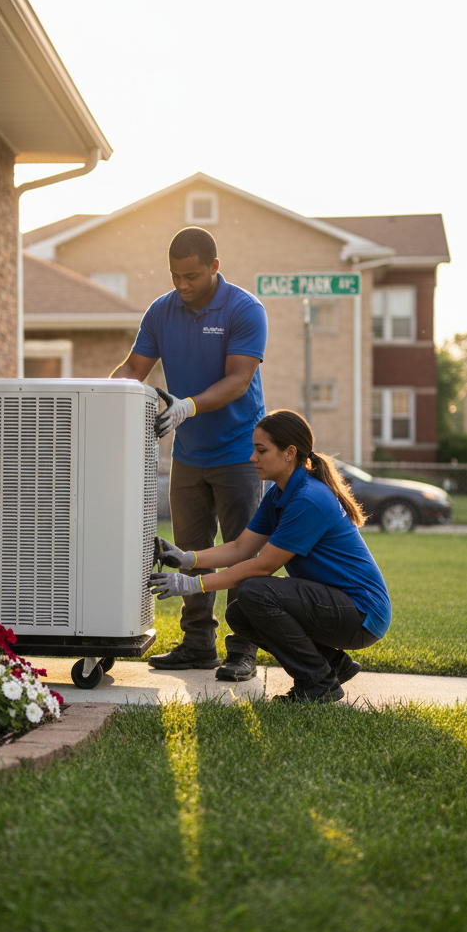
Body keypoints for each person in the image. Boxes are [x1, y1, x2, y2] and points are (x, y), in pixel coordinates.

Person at [111, 226, 267, 680]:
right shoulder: (162, 311)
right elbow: (133, 369)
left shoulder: (244, 309)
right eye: (175, 275)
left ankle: (243, 648)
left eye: (192, 276)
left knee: (243, 552)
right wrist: (99, 397)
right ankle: (198, 643)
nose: (182, 285)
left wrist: (189, 405)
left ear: (215, 267)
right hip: (189, 455)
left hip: (240, 452)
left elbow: (239, 379)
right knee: (189, 551)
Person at [149, 409, 391, 702]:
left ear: (289, 453)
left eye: (261, 450)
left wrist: (190, 585)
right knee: (240, 613)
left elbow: (263, 566)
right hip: (338, 605)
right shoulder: (279, 494)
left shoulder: (308, 499)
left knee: (255, 591)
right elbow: (241, 548)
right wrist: (189, 559)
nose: (253, 458)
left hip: (362, 614)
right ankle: (332, 664)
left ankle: (318, 684)